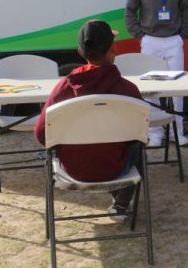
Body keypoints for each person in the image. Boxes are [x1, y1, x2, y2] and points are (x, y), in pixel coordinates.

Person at [33, 20, 142, 218]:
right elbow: (139, 133)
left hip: (73, 170)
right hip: (115, 169)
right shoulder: (128, 90)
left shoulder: (63, 88)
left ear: (80, 52)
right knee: (138, 145)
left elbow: (41, 134)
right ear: (113, 49)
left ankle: (119, 202)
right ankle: (121, 203)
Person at [125, 0, 188, 147]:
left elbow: (187, 9)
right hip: (150, 41)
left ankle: (177, 132)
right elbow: (130, 11)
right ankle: (154, 133)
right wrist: (141, 36)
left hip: (174, 41)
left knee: (177, 88)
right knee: (151, 89)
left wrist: (183, 35)